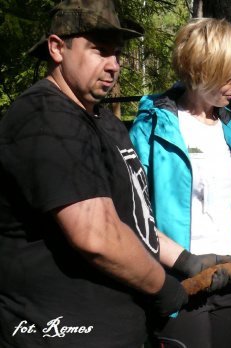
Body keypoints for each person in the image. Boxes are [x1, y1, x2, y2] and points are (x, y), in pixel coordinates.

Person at [0, 1, 190, 346]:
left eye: (117, 54)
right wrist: (163, 286)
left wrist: (187, 261)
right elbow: (96, 235)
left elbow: (133, 222)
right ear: (58, 48)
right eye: (100, 51)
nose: (114, 65)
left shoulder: (107, 123)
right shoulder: (45, 116)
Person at [129, 18, 231, 348]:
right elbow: (133, 216)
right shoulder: (152, 127)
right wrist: (185, 262)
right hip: (178, 281)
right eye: (229, 75)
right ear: (202, 69)